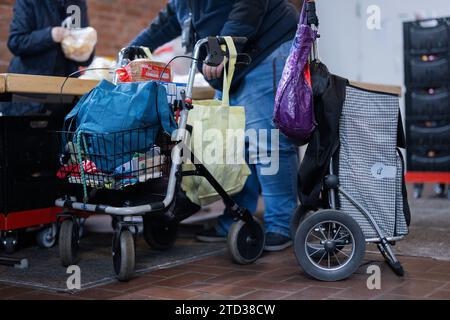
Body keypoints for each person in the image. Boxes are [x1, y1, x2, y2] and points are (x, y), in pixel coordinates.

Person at [132, 0, 299, 251]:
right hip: (231, 61)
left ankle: (282, 224)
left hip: (266, 47)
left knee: (267, 141)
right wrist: (134, 48)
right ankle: (238, 219)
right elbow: (168, 20)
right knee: (232, 145)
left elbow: (249, 5)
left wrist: (223, 44)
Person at [7, 0, 94, 77]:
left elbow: (85, 59)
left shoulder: (77, 4)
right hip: (28, 84)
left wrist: (85, 48)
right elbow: (16, 42)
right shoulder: (29, 2)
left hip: (66, 86)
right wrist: (50, 35)